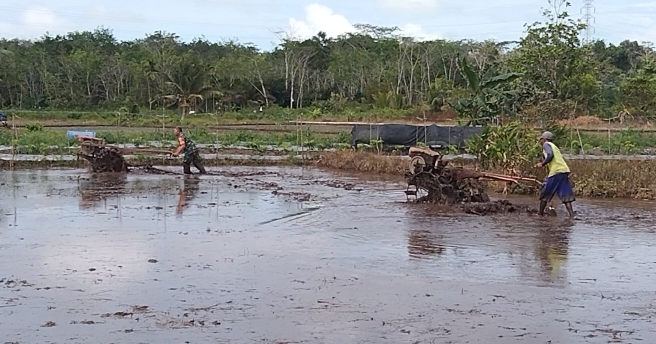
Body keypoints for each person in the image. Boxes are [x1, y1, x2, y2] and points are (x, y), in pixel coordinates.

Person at [534, 131, 575, 218]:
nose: (541, 141)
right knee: (566, 196)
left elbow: (550, 155)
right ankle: (572, 217)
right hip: (564, 171)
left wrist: (542, 164)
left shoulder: (546, 145)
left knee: (546, 193)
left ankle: (540, 215)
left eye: (541, 139)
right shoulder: (554, 146)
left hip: (556, 172)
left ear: (544, 139)